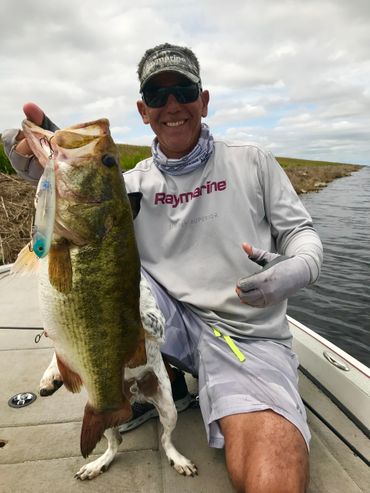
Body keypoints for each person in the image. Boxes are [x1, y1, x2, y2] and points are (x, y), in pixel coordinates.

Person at [3, 43, 323, 492]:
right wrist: (33, 160)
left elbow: (302, 232)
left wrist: (301, 266)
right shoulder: (126, 186)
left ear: (204, 99)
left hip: (241, 335)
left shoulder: (253, 162)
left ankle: (194, 386)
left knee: (273, 471)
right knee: (119, 281)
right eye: (157, 96)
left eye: (183, 90)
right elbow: (77, 202)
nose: (172, 104)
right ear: (143, 110)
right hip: (165, 325)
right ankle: (158, 378)